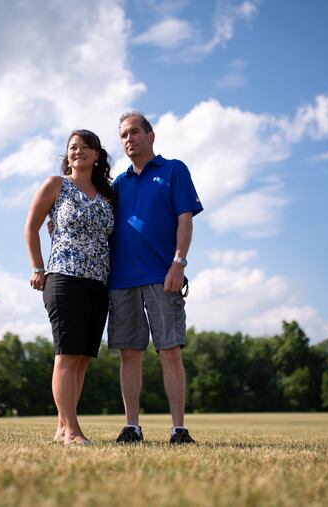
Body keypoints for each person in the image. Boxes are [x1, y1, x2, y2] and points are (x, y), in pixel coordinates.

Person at [107, 112, 203, 445]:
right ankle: (131, 427)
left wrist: (179, 263)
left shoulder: (174, 170)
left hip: (164, 277)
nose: (129, 139)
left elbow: (185, 219)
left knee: (170, 350)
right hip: (121, 280)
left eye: (134, 132)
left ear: (150, 135)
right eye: (123, 135)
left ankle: (179, 429)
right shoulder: (118, 185)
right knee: (129, 354)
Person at [24, 129, 115, 445]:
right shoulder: (56, 185)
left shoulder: (107, 195)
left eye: (86, 147)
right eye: (73, 147)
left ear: (97, 155)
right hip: (64, 277)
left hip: (99, 283)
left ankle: (62, 428)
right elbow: (31, 227)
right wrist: (38, 268)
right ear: (68, 155)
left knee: (83, 359)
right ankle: (73, 431)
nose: (79, 151)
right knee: (66, 354)